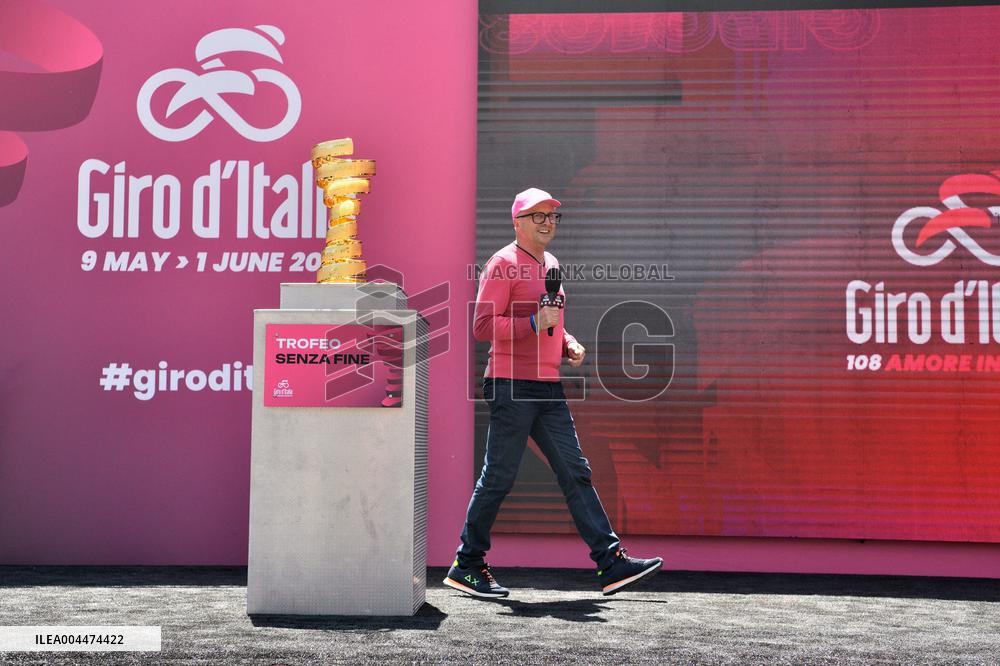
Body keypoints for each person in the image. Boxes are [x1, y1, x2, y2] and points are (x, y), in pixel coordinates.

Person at [444, 187, 663, 599]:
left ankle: (610, 562)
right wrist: (532, 324)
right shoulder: (502, 264)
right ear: (518, 222)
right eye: (538, 216)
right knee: (499, 477)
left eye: (552, 217)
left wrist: (567, 342)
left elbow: (551, 320)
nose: (548, 223)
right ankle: (467, 563)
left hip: (548, 387)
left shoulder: (552, 264)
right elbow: (481, 328)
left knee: (575, 470)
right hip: (511, 384)